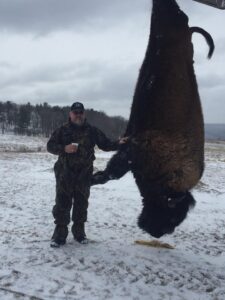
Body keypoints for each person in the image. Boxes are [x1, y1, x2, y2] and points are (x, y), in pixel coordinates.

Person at [47, 102, 127, 247]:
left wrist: (119, 143)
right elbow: (50, 146)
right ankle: (59, 236)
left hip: (84, 175)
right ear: (70, 114)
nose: (78, 115)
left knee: (81, 205)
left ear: (84, 114)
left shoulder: (92, 131)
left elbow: (106, 144)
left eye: (80, 112)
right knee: (62, 205)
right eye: (75, 112)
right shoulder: (62, 130)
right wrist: (64, 148)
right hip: (65, 174)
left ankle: (79, 234)